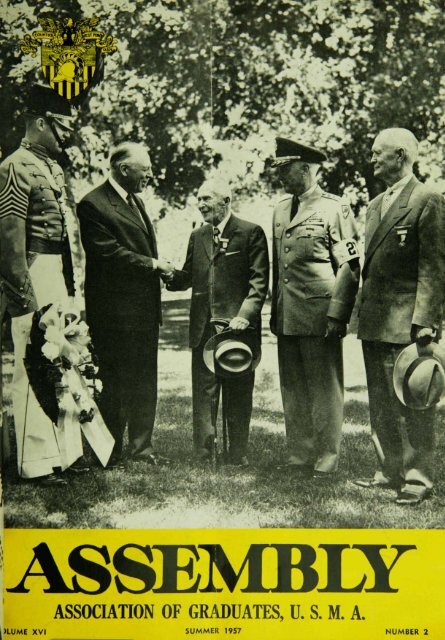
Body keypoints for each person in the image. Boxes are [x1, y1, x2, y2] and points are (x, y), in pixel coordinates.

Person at [355, 127, 445, 505]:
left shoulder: (428, 199)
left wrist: (426, 319)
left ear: (402, 156)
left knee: (413, 400)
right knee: (380, 400)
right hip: (375, 320)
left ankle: (417, 477)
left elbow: (435, 266)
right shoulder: (375, 204)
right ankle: (388, 468)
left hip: (407, 322)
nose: (372, 158)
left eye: (379, 152)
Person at [0, 84, 84, 485]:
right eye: (60, 129)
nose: (65, 137)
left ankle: (63, 454)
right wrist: (22, 296)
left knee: (60, 357)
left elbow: (66, 239)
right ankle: (34, 462)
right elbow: (9, 240)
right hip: (33, 271)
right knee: (32, 364)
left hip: (55, 272)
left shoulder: (52, 167)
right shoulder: (14, 165)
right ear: (39, 123)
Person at [77, 142, 173, 467]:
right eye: (144, 169)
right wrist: (154, 265)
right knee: (114, 382)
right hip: (113, 314)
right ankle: (110, 451)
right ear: (124, 169)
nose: (150, 174)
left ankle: (142, 448)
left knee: (145, 380)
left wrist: (162, 269)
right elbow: (109, 254)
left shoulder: (138, 201)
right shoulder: (92, 204)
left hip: (144, 313)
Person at [270, 137, 360, 479]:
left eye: (285, 169)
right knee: (293, 389)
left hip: (320, 317)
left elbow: (350, 268)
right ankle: (299, 456)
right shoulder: (279, 209)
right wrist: (276, 312)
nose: (279, 176)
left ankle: (326, 458)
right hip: (287, 315)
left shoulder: (334, 209)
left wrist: (338, 314)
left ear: (306, 168)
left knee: (324, 389)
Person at [167, 177, 269, 465]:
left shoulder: (251, 233)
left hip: (237, 330)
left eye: (206, 199)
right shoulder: (197, 236)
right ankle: (204, 454)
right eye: (198, 199)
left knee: (238, 390)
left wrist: (243, 317)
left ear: (226, 201)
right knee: (203, 391)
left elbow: (259, 284)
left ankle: (236, 453)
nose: (201, 205)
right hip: (203, 328)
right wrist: (168, 275)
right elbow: (188, 276)